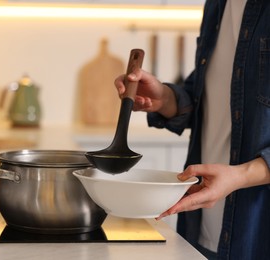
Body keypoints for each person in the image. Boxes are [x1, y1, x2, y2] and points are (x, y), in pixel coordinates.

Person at [114, 0, 270, 259]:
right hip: (204, 226)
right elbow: (213, 98)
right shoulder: (217, 6)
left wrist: (242, 175)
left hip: (257, 232)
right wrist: (164, 98)